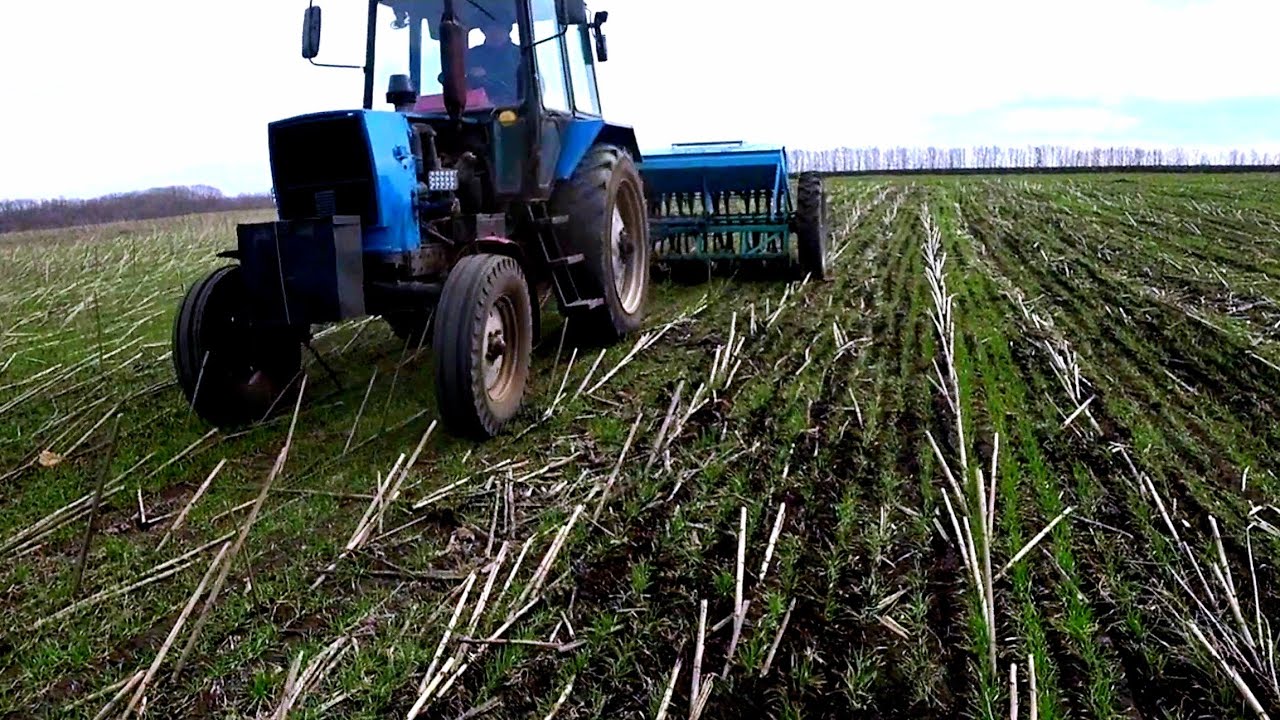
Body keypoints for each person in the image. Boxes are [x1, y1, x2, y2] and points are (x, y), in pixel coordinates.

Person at [466, 15, 522, 105]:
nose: (495, 32)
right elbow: (449, 77)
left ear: (507, 30)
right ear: (484, 31)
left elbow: (536, 86)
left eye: (499, 28)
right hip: (475, 111)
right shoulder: (471, 55)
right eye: (490, 28)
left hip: (514, 109)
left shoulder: (521, 54)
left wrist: (487, 75)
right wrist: (467, 75)